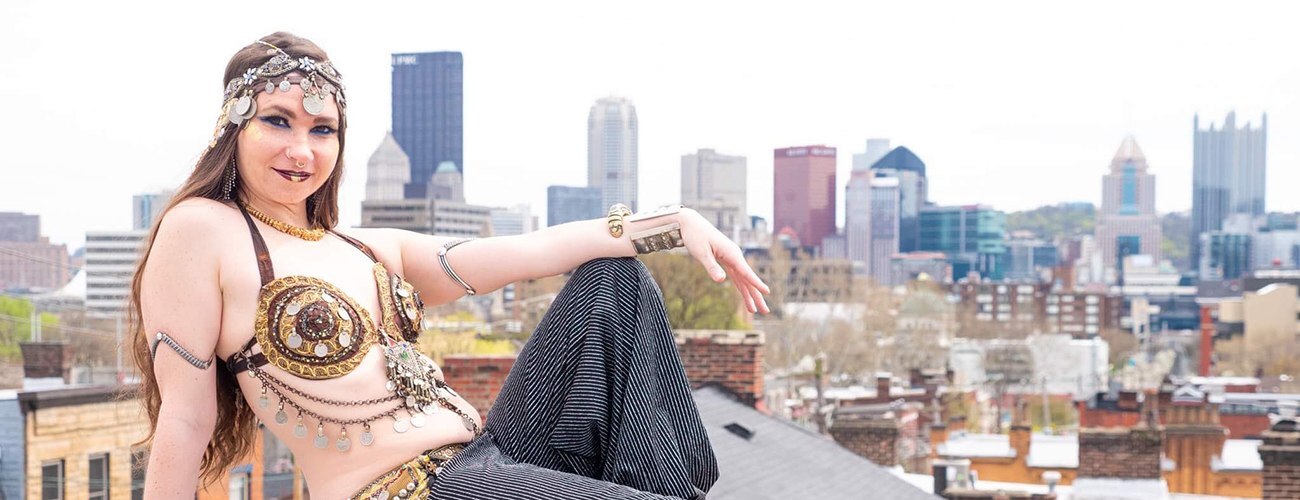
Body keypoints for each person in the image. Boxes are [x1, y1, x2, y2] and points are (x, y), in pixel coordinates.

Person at [131, 32, 770, 499]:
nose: (302, 149)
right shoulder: (200, 229)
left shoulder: (366, 248)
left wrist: (675, 225)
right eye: (278, 121)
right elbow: (187, 419)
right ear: (232, 128)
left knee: (614, 278)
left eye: (323, 130)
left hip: (483, 460)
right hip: (400, 491)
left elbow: (531, 251)